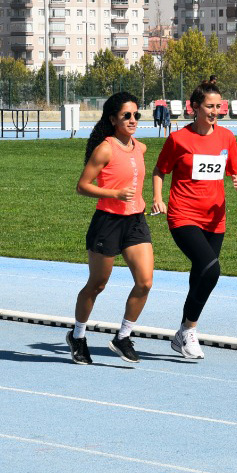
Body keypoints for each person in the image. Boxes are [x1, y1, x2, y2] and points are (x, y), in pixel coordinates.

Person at [152, 80, 237, 360]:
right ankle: (190, 330)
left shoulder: (226, 137)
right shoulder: (179, 139)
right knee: (211, 269)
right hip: (183, 214)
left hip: (215, 218)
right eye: (209, 106)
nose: (215, 111)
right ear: (195, 108)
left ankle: (182, 332)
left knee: (200, 276)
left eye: (218, 106)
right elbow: (160, 170)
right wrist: (158, 197)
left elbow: (235, 170)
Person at [67, 92, 154, 365]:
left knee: (145, 282)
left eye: (136, 115)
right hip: (108, 222)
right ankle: (78, 336)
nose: (132, 120)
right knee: (97, 284)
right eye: (126, 115)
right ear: (113, 119)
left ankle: (123, 336)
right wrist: (114, 194)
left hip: (136, 221)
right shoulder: (105, 148)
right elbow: (82, 186)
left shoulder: (139, 148)